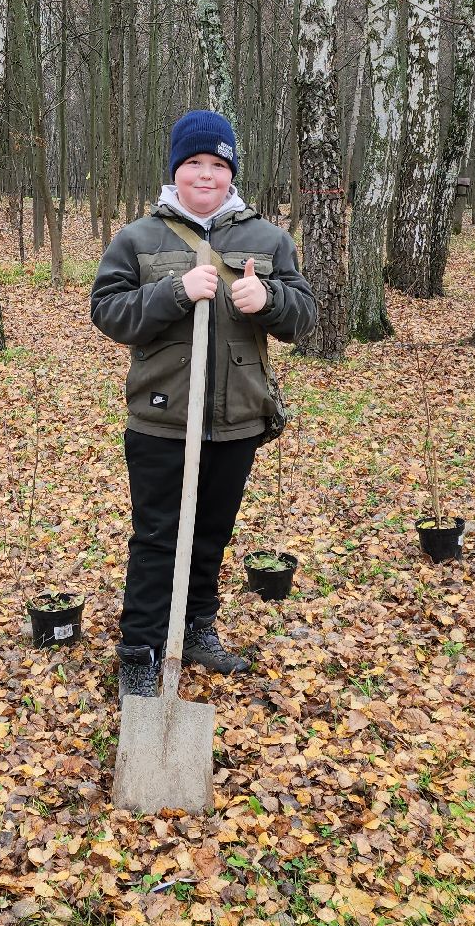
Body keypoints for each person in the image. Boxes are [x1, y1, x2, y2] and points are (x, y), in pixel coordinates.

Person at [89, 110, 317, 699]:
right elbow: (108, 312)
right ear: (176, 170)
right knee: (159, 537)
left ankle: (195, 630)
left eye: (218, 165)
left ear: (231, 172)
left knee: (211, 534)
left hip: (237, 418)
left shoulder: (267, 239)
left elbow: (304, 317)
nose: (207, 175)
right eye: (195, 164)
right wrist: (173, 292)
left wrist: (266, 298)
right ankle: (140, 650)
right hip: (163, 418)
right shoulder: (139, 238)